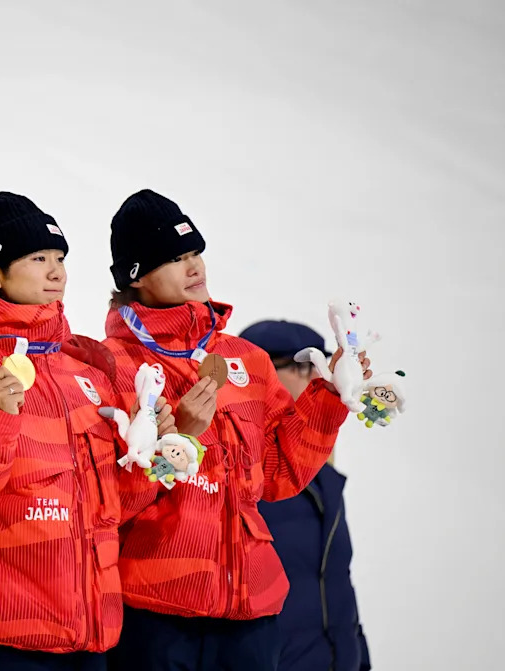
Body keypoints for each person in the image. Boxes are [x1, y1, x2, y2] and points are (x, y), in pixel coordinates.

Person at [99, 189, 372, 671]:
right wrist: (178, 440)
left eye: (195, 252)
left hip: (250, 615)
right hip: (155, 613)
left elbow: (279, 472)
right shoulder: (112, 367)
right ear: (135, 275)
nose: (193, 267)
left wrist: (330, 396)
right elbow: (105, 502)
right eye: (175, 258)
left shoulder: (246, 360)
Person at [0, 192, 174, 670]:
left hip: (89, 639)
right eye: (37, 258)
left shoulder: (85, 370)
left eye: (60, 258)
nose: (56, 272)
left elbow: (115, 510)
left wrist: (151, 457)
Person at [239, 320, 372, 671]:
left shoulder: (323, 477)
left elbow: (336, 583)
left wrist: (358, 659)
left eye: (321, 365)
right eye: (302, 366)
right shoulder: (241, 474)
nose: (317, 377)